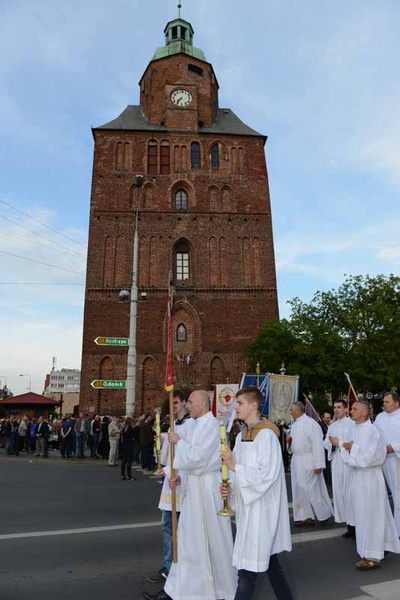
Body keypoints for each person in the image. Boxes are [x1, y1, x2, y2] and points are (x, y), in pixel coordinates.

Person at [143, 390, 237, 600]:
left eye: (191, 403)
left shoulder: (212, 426)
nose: (187, 406)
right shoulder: (199, 425)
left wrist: (178, 442)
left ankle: (218, 587)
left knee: (209, 541)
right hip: (195, 488)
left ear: (203, 404)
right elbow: (192, 462)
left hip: (207, 490)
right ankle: (178, 590)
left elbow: (198, 458)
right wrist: (174, 474)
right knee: (189, 541)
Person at [221, 386, 293, 600]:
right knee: (270, 564)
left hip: (262, 509)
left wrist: (235, 468)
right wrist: (229, 486)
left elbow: (267, 475)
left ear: (254, 405)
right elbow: (235, 468)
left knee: (247, 573)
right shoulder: (243, 434)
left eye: (240, 403)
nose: (236, 407)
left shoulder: (267, 435)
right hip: (249, 507)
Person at [334, 400, 400, 569]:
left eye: (355, 409)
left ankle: (372, 555)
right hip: (357, 477)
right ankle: (367, 550)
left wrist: (350, 447)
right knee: (362, 515)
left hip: (370, 478)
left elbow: (371, 457)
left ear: (364, 413)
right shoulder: (353, 429)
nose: (351, 411)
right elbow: (349, 455)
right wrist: (344, 446)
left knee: (372, 516)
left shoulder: (373, 431)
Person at [146, 391, 195, 585]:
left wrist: (177, 473)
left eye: (176, 402)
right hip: (170, 480)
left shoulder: (192, 425)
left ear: (184, 403)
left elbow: (193, 455)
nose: (173, 406)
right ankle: (169, 565)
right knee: (168, 525)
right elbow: (168, 454)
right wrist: (162, 465)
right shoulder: (172, 425)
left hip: (184, 480)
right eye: (171, 403)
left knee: (183, 527)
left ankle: (181, 565)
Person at [287, 401, 333, 525]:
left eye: (291, 410)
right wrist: (289, 443)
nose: (290, 412)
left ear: (298, 410)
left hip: (309, 460)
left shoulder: (311, 423)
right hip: (297, 460)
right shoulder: (295, 424)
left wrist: (319, 464)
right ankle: (305, 516)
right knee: (299, 489)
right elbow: (293, 445)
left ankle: (323, 513)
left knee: (311, 489)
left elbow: (317, 444)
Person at [324, 400, 353, 533]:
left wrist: (339, 443)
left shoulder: (352, 424)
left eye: (339, 407)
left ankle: (355, 525)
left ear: (346, 409)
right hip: (336, 460)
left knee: (349, 493)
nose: (336, 410)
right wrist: (333, 444)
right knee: (339, 492)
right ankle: (348, 525)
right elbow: (326, 443)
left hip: (348, 462)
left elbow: (353, 443)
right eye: (335, 407)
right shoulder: (332, 426)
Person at [373, 391, 400, 536]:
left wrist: (393, 447)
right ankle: (386, 528)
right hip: (382, 460)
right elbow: (374, 434)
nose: (384, 404)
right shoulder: (380, 417)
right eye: (383, 402)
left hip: (397, 460)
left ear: (396, 403)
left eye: (387, 402)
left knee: (398, 495)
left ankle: (398, 530)